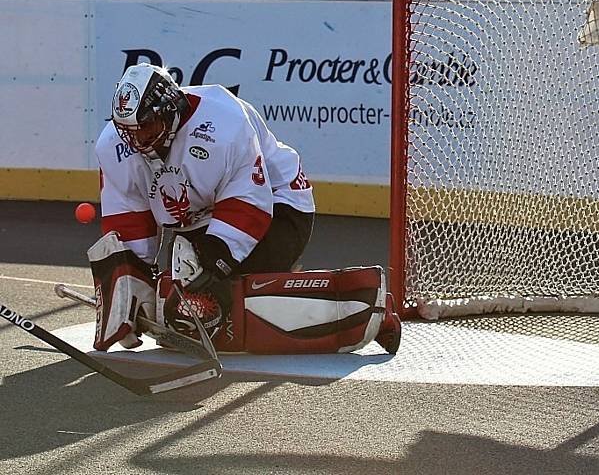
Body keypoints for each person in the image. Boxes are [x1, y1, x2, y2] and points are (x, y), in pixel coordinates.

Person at [90, 63, 400, 354]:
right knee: (181, 304)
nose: (138, 141)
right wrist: (130, 287)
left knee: (235, 295)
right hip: (202, 219)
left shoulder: (224, 124)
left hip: (279, 205)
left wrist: (216, 263)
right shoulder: (114, 148)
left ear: (171, 110)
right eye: (128, 131)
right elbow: (129, 220)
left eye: (146, 128)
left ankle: (367, 305)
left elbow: (249, 203)